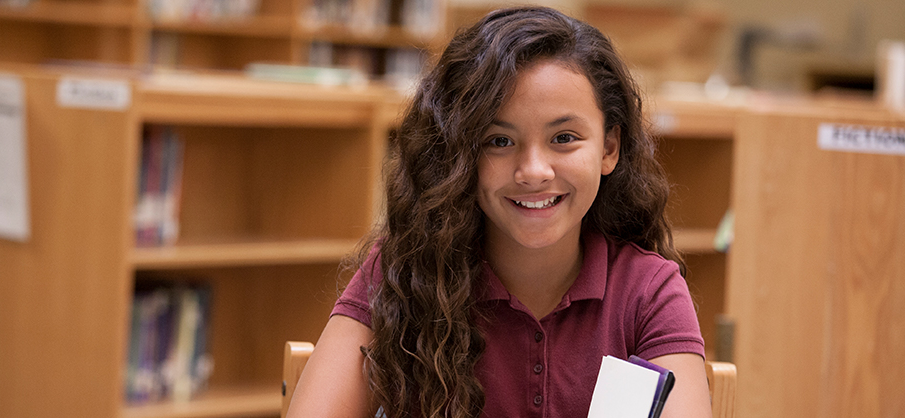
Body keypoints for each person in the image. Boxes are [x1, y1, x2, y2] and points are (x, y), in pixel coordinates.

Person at [284, 7, 711, 418]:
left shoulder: (648, 293)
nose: (534, 171)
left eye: (564, 137)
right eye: (499, 142)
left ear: (609, 148)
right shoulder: (404, 272)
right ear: (458, 157)